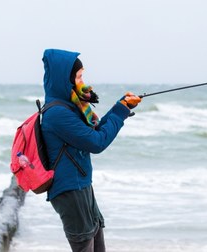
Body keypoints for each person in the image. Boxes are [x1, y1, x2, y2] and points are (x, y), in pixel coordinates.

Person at [41, 49, 141, 252]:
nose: (82, 80)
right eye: (78, 76)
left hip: (82, 185)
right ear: (65, 79)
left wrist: (120, 107)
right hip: (70, 191)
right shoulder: (57, 113)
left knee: (98, 244)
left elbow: (94, 131)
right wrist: (120, 112)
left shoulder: (70, 106)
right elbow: (97, 142)